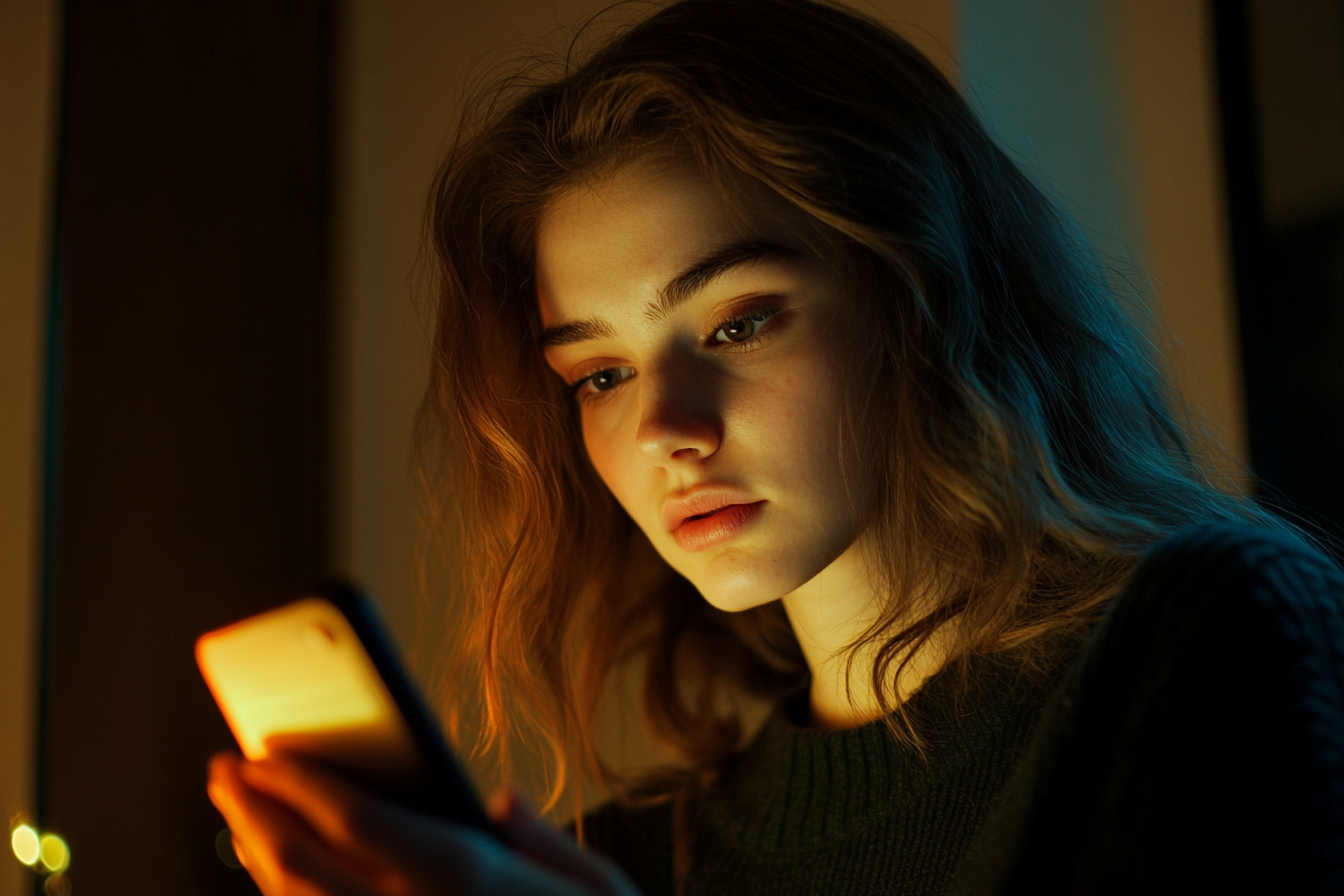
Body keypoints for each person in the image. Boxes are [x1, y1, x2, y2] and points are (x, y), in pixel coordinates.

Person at [206, 1, 1344, 894]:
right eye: (600, 373)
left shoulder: (1213, 626)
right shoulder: (637, 857)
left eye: (737, 322)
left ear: (924, 290)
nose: (662, 428)